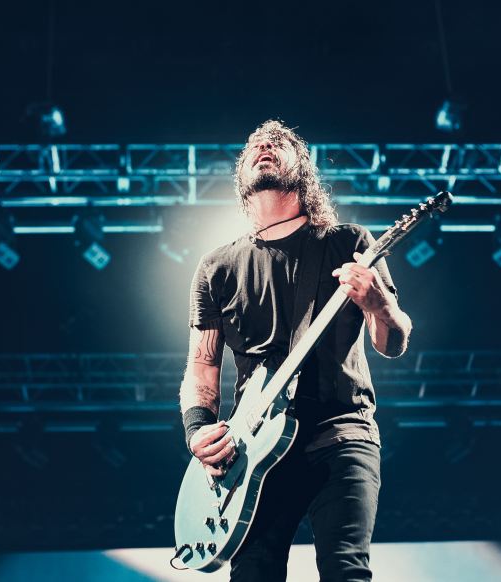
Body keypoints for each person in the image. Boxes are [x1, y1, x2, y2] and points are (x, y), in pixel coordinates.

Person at [179, 120, 412, 581]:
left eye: (279, 143)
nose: (264, 147)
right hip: (253, 451)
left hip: (341, 433)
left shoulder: (349, 244)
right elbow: (202, 365)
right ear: (241, 175)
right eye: (254, 146)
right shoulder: (217, 267)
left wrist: (379, 303)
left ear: (302, 168)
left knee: (346, 569)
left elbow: (393, 341)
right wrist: (198, 429)